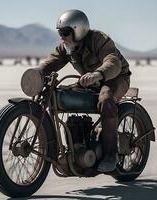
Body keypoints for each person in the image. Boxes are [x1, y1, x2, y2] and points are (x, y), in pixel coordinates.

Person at [39, 10, 131, 172]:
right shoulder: (67, 47)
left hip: (116, 77)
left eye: (66, 32)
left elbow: (113, 61)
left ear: (78, 30)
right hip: (90, 80)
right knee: (59, 93)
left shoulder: (99, 40)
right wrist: (37, 73)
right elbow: (51, 62)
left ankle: (111, 154)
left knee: (105, 99)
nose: (62, 37)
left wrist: (98, 74)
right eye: (60, 33)